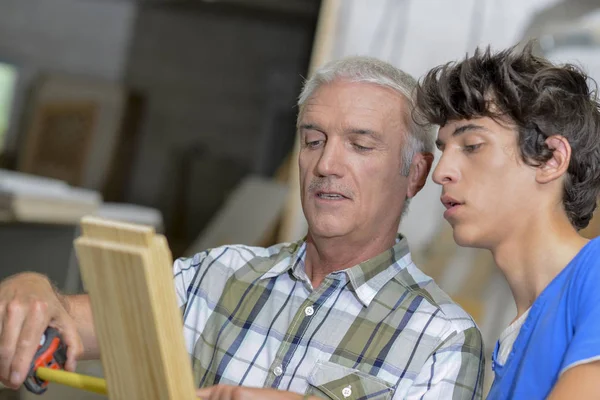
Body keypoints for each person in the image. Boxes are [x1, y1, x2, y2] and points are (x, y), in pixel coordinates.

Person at [0, 56, 484, 399]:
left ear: (416, 175)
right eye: (313, 140)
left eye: (360, 145)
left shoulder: (441, 341)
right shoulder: (218, 274)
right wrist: (34, 293)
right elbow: (71, 322)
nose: (326, 164)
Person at [415, 42, 600, 399]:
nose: (441, 173)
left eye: (471, 146)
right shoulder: (507, 352)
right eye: (443, 150)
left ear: (551, 159)